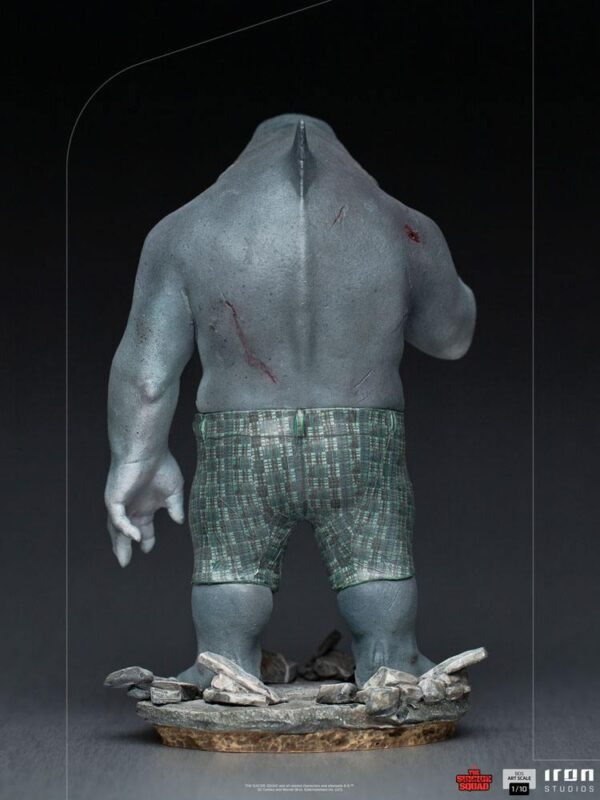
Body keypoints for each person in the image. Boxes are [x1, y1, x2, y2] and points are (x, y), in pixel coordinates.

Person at [104, 114, 476, 688]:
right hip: (360, 440)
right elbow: (451, 337)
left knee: (231, 565)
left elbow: (146, 376)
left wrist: (135, 458)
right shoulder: (401, 224)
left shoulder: (184, 230)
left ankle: (225, 667)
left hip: (240, 443)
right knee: (375, 561)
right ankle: (391, 660)